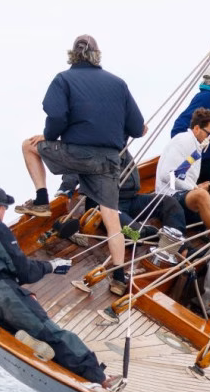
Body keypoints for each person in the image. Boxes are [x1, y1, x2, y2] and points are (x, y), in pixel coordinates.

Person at [0, 186, 117, 388]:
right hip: (2, 294)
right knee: (51, 333)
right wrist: (51, 266)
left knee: (24, 324)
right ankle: (100, 378)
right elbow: (23, 271)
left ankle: (26, 338)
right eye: (4, 209)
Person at [16, 35, 146, 294]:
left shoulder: (63, 80)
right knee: (112, 220)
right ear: (97, 55)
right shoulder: (118, 84)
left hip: (76, 154)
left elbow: (56, 116)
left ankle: (41, 200)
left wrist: (49, 137)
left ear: (72, 55)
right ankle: (119, 277)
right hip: (109, 161)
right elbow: (137, 128)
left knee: (28, 146)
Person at [156, 107, 210, 236]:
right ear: (196, 128)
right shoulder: (184, 141)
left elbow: (181, 174)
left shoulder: (196, 146)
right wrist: (194, 188)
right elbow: (167, 175)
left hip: (179, 194)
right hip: (168, 197)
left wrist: (194, 187)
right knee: (202, 196)